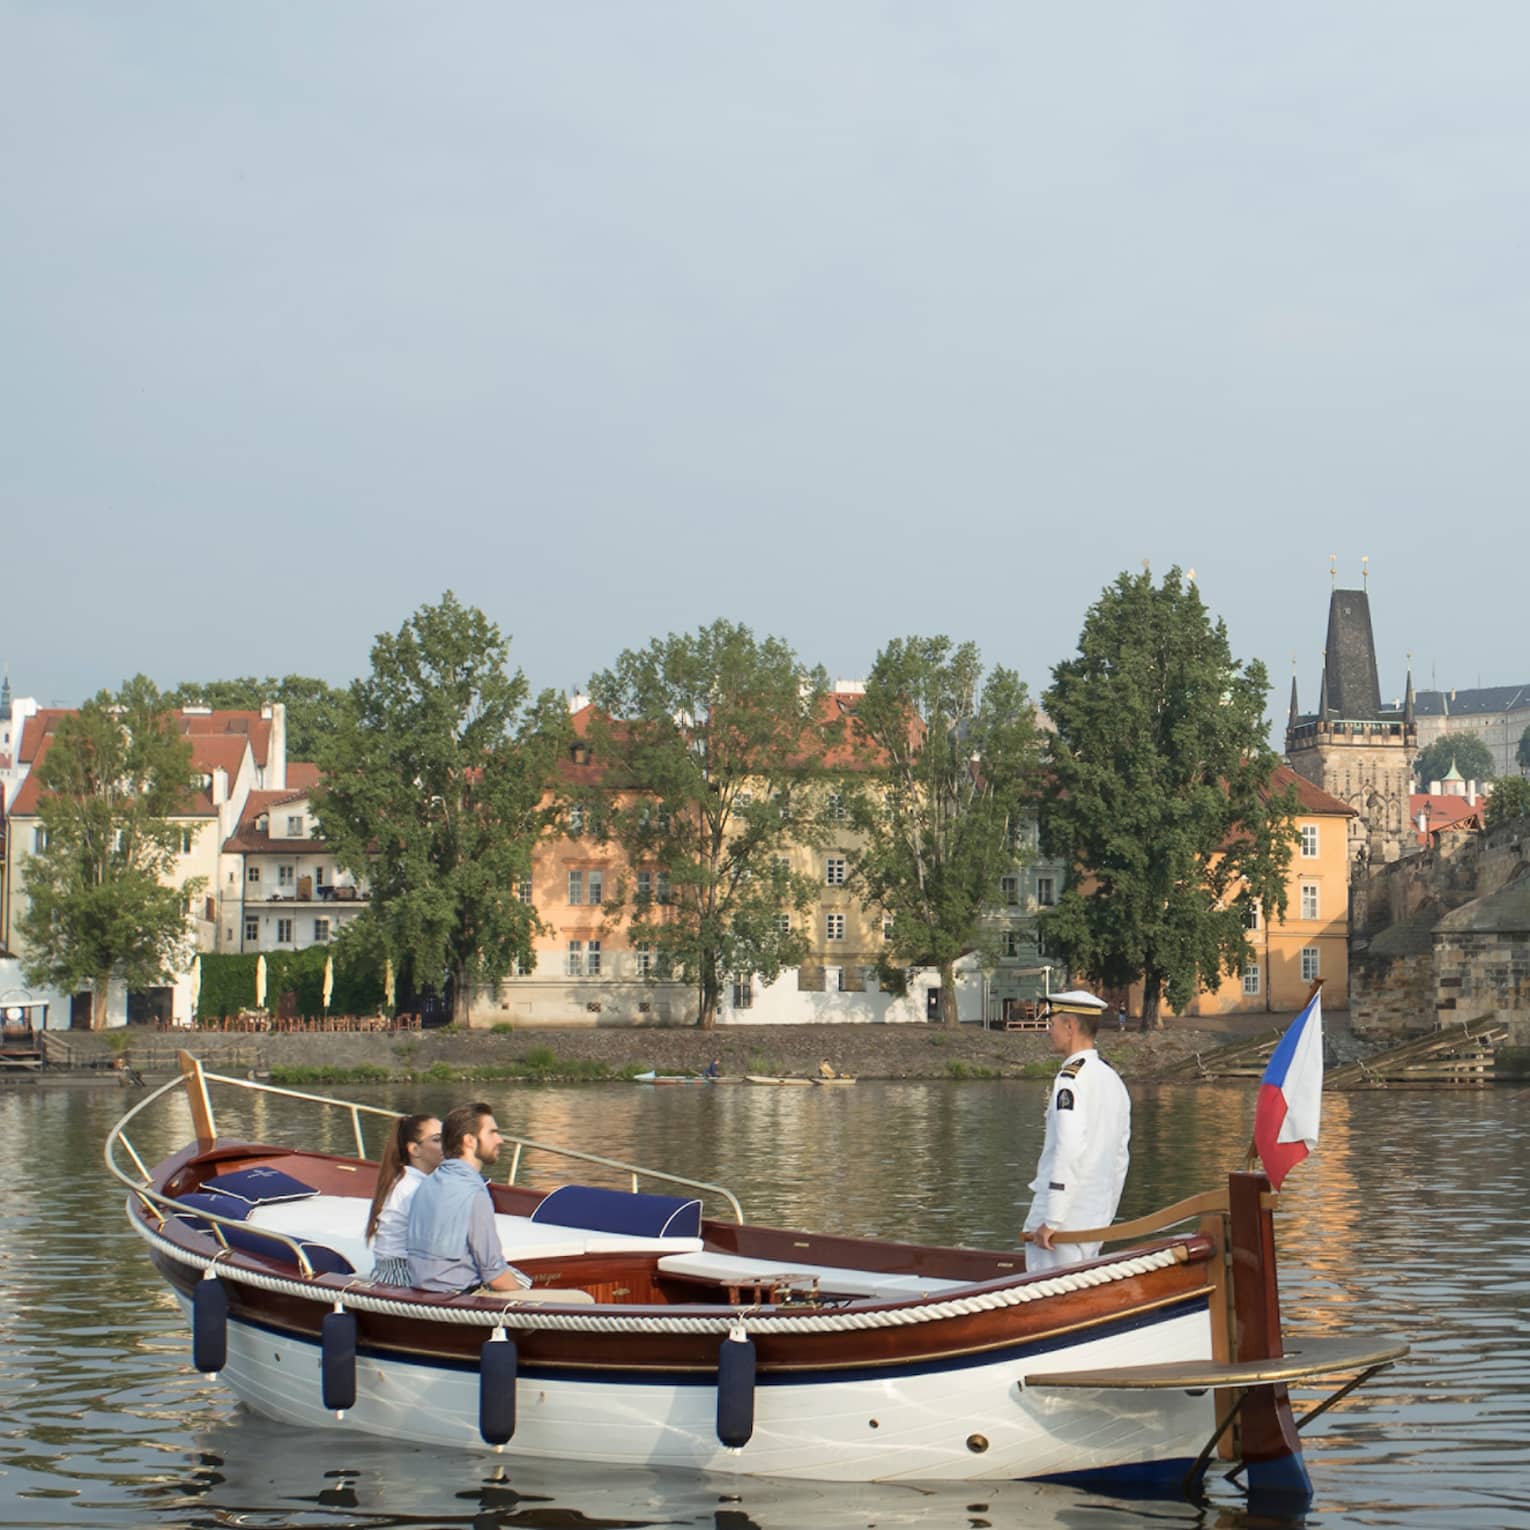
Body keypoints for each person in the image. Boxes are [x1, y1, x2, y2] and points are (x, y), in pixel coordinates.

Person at [1021, 990, 1131, 1274]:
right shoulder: (1112, 1080)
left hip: (1063, 1223)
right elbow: (1120, 1159)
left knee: (1046, 1298)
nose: (1048, 1031)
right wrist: (1106, 1217)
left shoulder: (1070, 1081)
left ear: (1070, 1027)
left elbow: (1068, 1149)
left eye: (1052, 1023)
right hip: (1094, 1217)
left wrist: (1053, 1220)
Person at [406, 1102, 532, 1294]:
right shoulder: (473, 1193)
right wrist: (528, 1300)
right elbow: (495, 1278)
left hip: (425, 1295)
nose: (500, 1140)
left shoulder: (426, 1185)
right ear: (469, 1141)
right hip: (462, 1302)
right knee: (579, 1300)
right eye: (492, 1133)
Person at [365, 1113, 442, 1284]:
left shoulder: (405, 1179)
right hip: (404, 1274)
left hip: (387, 1271)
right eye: (437, 1140)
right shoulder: (414, 1188)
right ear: (415, 1149)